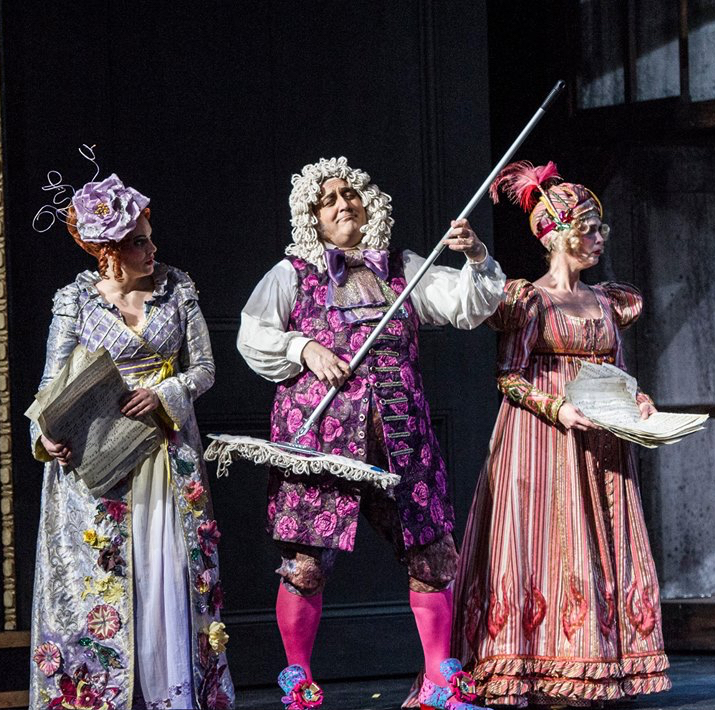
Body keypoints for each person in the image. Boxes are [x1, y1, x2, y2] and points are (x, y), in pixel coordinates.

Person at [237, 156, 505, 709]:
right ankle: (299, 681)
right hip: (322, 441)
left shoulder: (404, 268)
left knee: (433, 556)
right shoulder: (292, 274)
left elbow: (468, 305)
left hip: (402, 438)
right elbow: (253, 334)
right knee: (306, 565)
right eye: (328, 200)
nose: (343, 205)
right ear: (312, 216)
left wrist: (476, 256)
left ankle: (439, 681)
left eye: (350, 195)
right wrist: (303, 348)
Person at [451, 161, 671, 707]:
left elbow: (618, 371)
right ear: (559, 234)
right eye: (590, 229)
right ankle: (536, 666)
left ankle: (595, 667)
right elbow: (509, 375)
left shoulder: (607, 300)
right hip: (541, 439)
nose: (599, 238)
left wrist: (638, 400)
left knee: (598, 544)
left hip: (603, 440)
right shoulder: (530, 300)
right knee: (544, 543)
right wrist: (558, 408)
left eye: (600, 228)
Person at [29, 173, 234, 709]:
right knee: (107, 578)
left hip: (166, 453)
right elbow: (50, 384)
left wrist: (165, 392)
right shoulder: (75, 301)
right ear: (111, 253)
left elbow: (205, 369)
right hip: (100, 457)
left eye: (150, 237)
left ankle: (172, 695)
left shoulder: (177, 289)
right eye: (140, 242)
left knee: (168, 575)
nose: (152, 249)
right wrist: (44, 435)